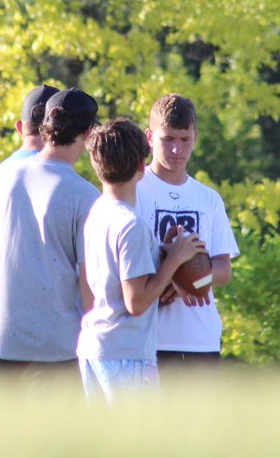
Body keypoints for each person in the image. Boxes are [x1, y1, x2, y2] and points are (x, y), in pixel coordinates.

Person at [0, 88, 101, 388]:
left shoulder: (3, 176)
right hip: (58, 346)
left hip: (3, 340)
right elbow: (87, 284)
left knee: (10, 434)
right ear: (89, 133)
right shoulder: (86, 196)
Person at [78, 119, 207, 402]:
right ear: (141, 167)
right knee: (137, 442)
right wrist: (174, 260)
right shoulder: (131, 224)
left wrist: (162, 250)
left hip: (93, 345)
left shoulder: (98, 211)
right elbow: (135, 303)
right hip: (125, 352)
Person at [134, 94, 240, 372]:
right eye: (167, 139)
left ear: (196, 137)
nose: (176, 150)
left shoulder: (208, 198)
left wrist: (186, 282)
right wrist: (168, 275)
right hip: (147, 339)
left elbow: (223, 269)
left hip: (200, 339)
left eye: (184, 140)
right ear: (149, 137)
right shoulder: (133, 190)